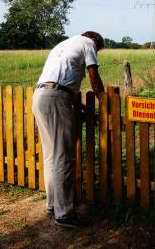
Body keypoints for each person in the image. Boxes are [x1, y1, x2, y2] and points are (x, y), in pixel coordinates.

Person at [32, 31, 105, 228]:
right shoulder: (89, 44)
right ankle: (64, 213)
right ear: (96, 42)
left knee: (50, 155)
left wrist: (81, 109)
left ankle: (53, 204)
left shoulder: (64, 44)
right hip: (56, 98)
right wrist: (105, 103)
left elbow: (66, 82)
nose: (97, 52)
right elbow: (93, 75)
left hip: (40, 96)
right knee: (64, 156)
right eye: (99, 49)